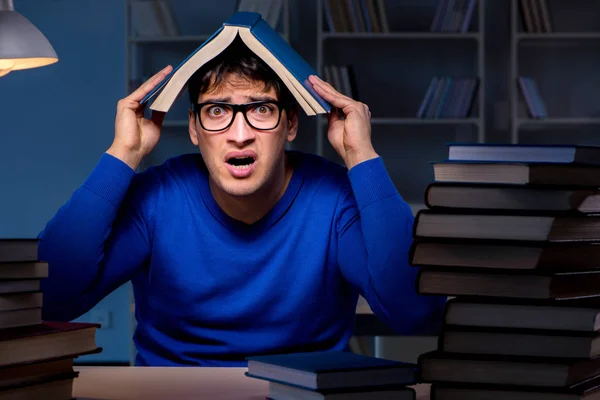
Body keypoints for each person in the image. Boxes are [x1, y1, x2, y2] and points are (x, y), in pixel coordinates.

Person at [38, 38, 446, 366]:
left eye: (261, 110)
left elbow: (414, 313)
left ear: (289, 124)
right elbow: (48, 299)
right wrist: (122, 154)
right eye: (218, 111)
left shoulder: (334, 197)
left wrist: (362, 157)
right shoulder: (158, 197)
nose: (239, 134)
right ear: (195, 129)